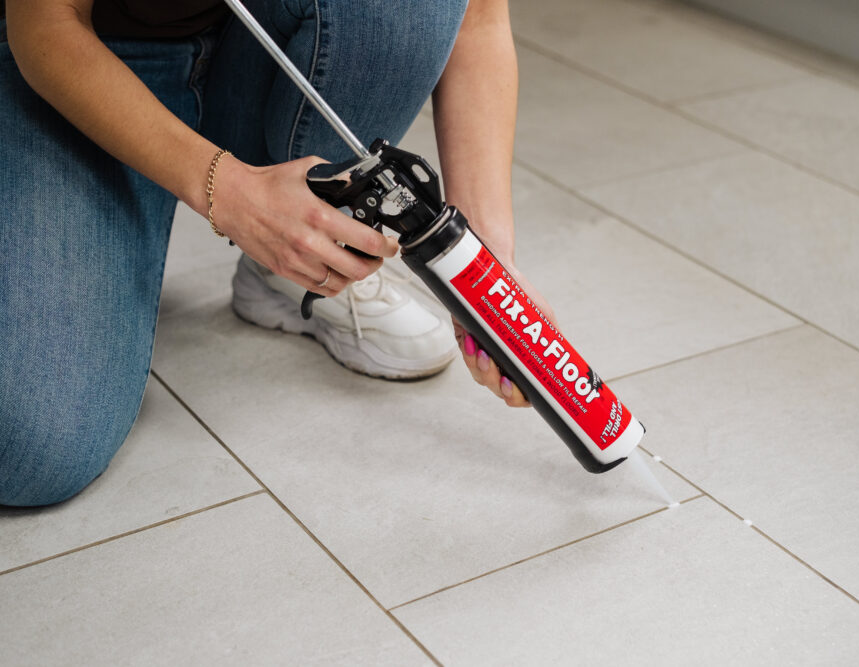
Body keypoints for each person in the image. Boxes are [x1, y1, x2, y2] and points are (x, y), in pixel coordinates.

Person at [0, 0, 555, 507]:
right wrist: (228, 192)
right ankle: (271, 228)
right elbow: (47, 24)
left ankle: (297, 262)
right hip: (94, 44)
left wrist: (481, 264)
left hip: (263, 32)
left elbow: (476, 16)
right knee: (34, 452)